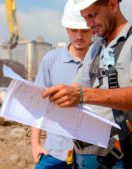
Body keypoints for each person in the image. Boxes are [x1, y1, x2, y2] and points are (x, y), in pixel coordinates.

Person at [42, 0, 132, 168]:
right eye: (85, 17)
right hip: (81, 155)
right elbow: (75, 89)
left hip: (114, 157)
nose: (88, 24)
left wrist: (82, 95)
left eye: (92, 15)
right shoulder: (96, 48)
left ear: (113, 5)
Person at [30, 0, 93, 168]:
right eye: (74, 30)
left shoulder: (101, 60)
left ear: (93, 28)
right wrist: (35, 144)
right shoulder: (51, 60)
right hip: (56, 151)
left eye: (85, 31)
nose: (79, 36)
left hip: (92, 154)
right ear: (66, 29)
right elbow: (39, 103)